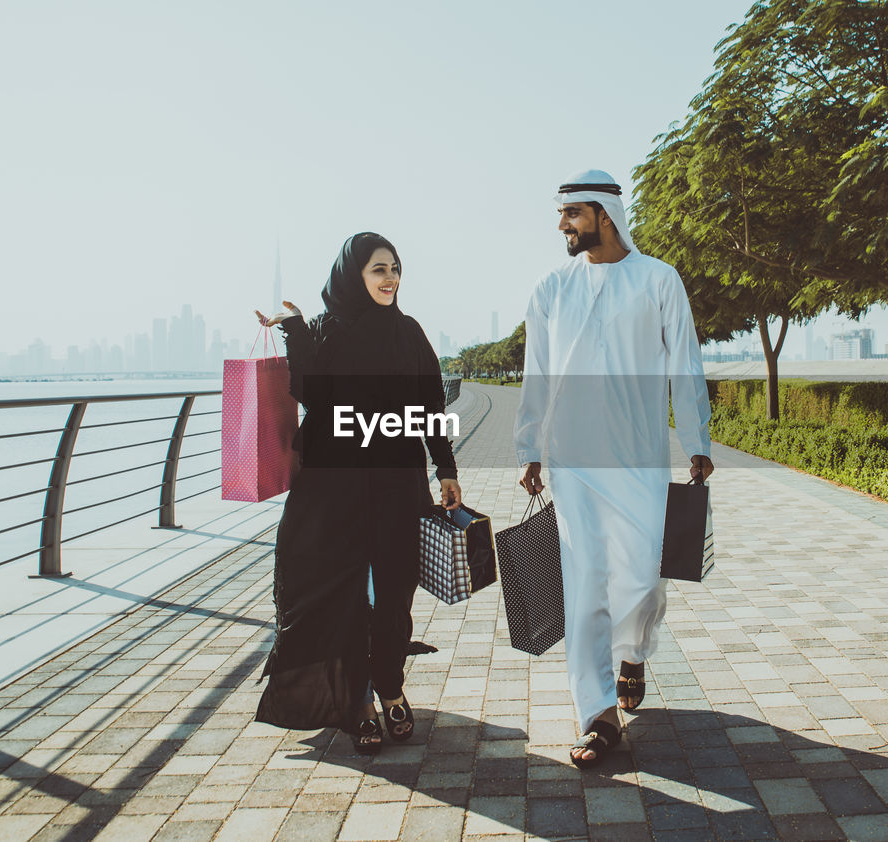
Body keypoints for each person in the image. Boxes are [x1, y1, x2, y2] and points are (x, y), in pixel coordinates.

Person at [513, 170, 714, 767]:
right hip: (573, 461)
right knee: (584, 587)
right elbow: (537, 375)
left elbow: (686, 361)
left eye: (571, 213)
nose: (562, 226)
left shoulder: (658, 280)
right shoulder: (551, 288)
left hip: (640, 457)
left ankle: (634, 652)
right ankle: (597, 714)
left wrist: (696, 439)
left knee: (641, 580)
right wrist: (530, 449)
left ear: (604, 214)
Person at [253, 232, 462, 755]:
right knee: (342, 595)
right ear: (353, 275)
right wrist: (297, 333)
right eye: (378, 270)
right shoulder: (324, 330)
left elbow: (430, 405)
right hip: (334, 490)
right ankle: (358, 704)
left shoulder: (409, 334)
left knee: (394, 591)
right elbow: (311, 393)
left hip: (396, 484)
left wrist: (446, 469)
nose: (390, 278)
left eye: (394, 269)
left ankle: (389, 685)